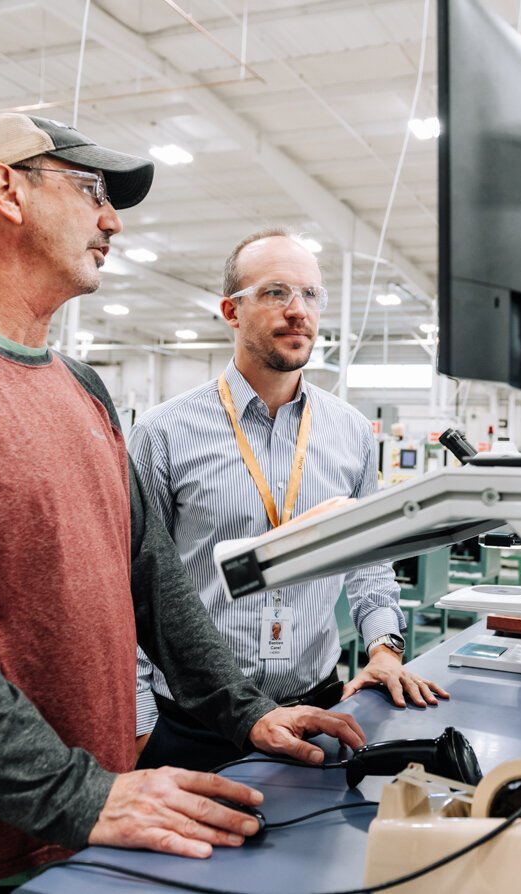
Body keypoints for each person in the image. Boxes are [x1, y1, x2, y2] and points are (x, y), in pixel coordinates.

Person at [0, 115, 364, 893]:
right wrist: (74, 792)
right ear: (6, 188)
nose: (112, 219)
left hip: (81, 833)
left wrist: (243, 712)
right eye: (92, 190)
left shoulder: (84, 390)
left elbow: (153, 578)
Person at [129, 228, 449, 772]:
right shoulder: (162, 432)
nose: (298, 310)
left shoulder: (350, 431)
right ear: (231, 311)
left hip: (316, 706)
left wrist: (384, 649)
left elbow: (368, 563)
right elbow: (134, 590)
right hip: (197, 720)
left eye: (310, 294)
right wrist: (138, 726)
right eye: (276, 292)